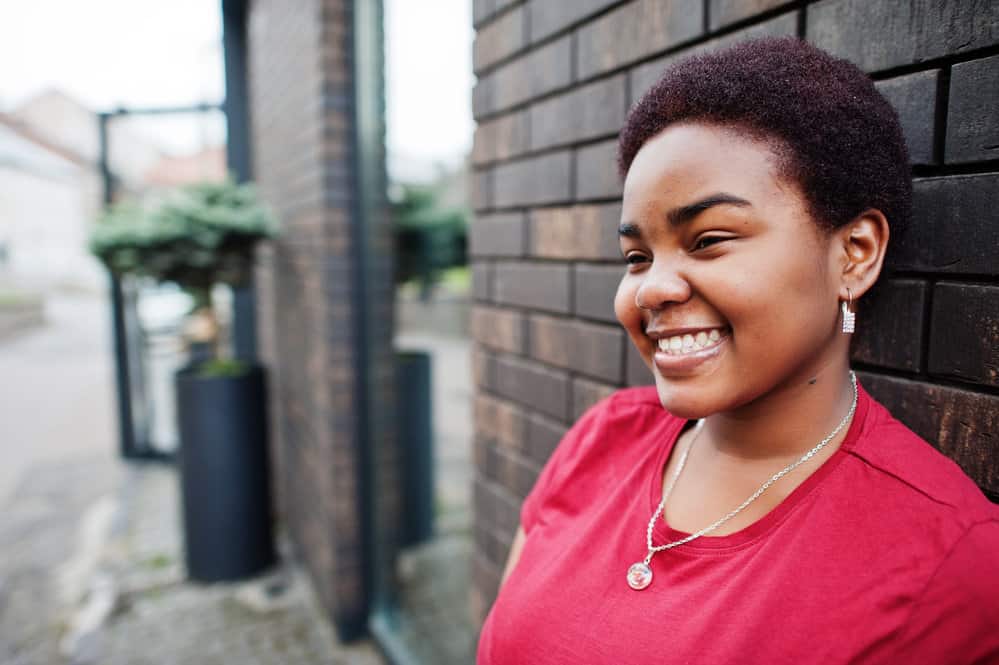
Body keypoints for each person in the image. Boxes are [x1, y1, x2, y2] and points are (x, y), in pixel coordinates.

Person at [477, 37, 999, 664]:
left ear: (854, 253)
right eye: (637, 257)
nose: (653, 288)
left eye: (708, 240)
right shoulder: (603, 439)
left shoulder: (947, 563)